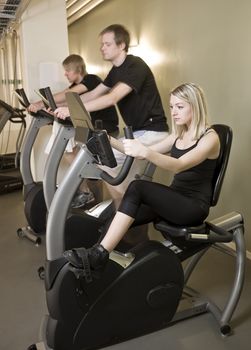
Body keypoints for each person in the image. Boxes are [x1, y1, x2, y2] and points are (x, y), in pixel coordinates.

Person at [62, 82, 221, 281]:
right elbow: (142, 154)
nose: (173, 112)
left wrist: (145, 151)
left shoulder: (210, 137)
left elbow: (179, 165)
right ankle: (94, 265)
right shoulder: (179, 135)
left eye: (180, 107)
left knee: (137, 187)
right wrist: (109, 140)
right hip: (173, 201)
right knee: (117, 215)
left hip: (192, 207)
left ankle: (99, 255)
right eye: (171, 107)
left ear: (195, 106)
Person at [55, 24, 169, 206]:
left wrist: (70, 110)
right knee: (109, 164)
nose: (102, 48)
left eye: (107, 44)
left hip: (153, 132)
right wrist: (60, 106)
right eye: (102, 44)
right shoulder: (116, 71)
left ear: (121, 45)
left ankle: (124, 211)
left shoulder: (135, 65)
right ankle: (125, 210)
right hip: (137, 134)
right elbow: (94, 94)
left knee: (107, 159)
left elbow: (111, 98)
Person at [28, 54, 119, 207]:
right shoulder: (73, 87)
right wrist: (49, 108)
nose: (65, 74)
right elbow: (64, 99)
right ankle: (85, 191)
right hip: (89, 127)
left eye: (68, 70)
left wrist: (39, 104)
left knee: (72, 151)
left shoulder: (91, 80)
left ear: (77, 69)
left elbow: (67, 96)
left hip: (104, 127)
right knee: (69, 149)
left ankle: (87, 193)